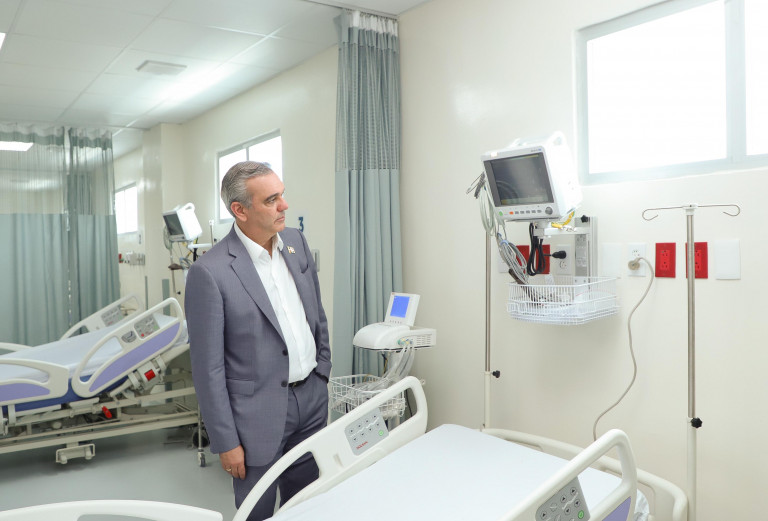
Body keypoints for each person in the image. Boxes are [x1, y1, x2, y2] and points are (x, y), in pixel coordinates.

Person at [185, 161, 331, 521]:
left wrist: (322, 372)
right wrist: (226, 441)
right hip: (255, 417)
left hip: (311, 400)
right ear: (240, 210)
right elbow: (207, 369)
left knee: (308, 505)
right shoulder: (210, 272)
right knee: (258, 512)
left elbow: (316, 313)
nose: (284, 205)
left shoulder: (295, 243)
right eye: (271, 200)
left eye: (282, 195)